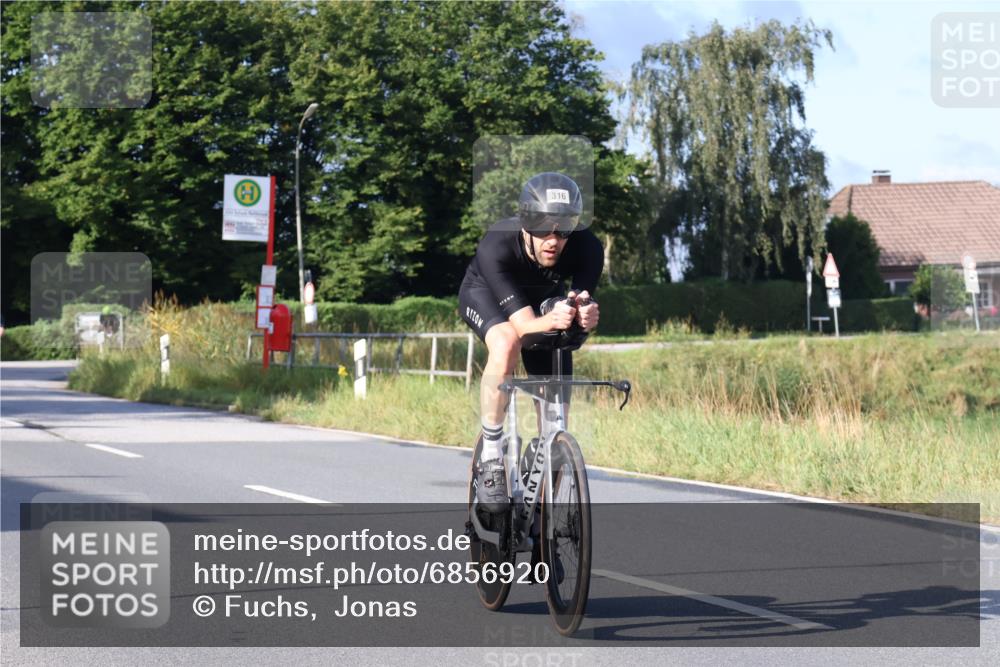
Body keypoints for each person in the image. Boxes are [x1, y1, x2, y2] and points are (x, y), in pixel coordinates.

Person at [459, 172, 602, 513]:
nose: (553, 238)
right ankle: (493, 457)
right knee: (507, 342)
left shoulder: (588, 247)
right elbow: (523, 327)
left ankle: (544, 523)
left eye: (564, 227)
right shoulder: (498, 242)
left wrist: (584, 320)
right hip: (486, 295)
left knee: (557, 428)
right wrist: (551, 319)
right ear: (525, 222)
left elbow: (575, 315)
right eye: (542, 226)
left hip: (541, 302)